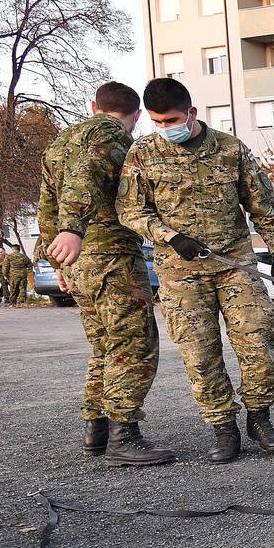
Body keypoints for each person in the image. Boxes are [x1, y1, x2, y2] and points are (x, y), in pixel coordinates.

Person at [117, 77, 274, 463]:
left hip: (234, 263)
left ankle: (260, 418)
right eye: (158, 122)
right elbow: (130, 210)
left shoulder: (230, 149)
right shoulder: (142, 154)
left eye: (173, 120)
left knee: (258, 338)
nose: (167, 128)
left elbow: (261, 203)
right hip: (180, 270)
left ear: (191, 113)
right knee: (199, 353)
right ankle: (223, 427)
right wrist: (170, 235)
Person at [36, 81, 174, 465]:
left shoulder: (60, 143)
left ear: (93, 105)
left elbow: (46, 202)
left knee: (103, 345)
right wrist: (72, 231)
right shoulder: (108, 135)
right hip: (109, 257)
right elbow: (85, 178)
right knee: (133, 344)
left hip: (79, 262)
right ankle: (123, 436)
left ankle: (96, 430)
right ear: (136, 116)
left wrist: (56, 259)